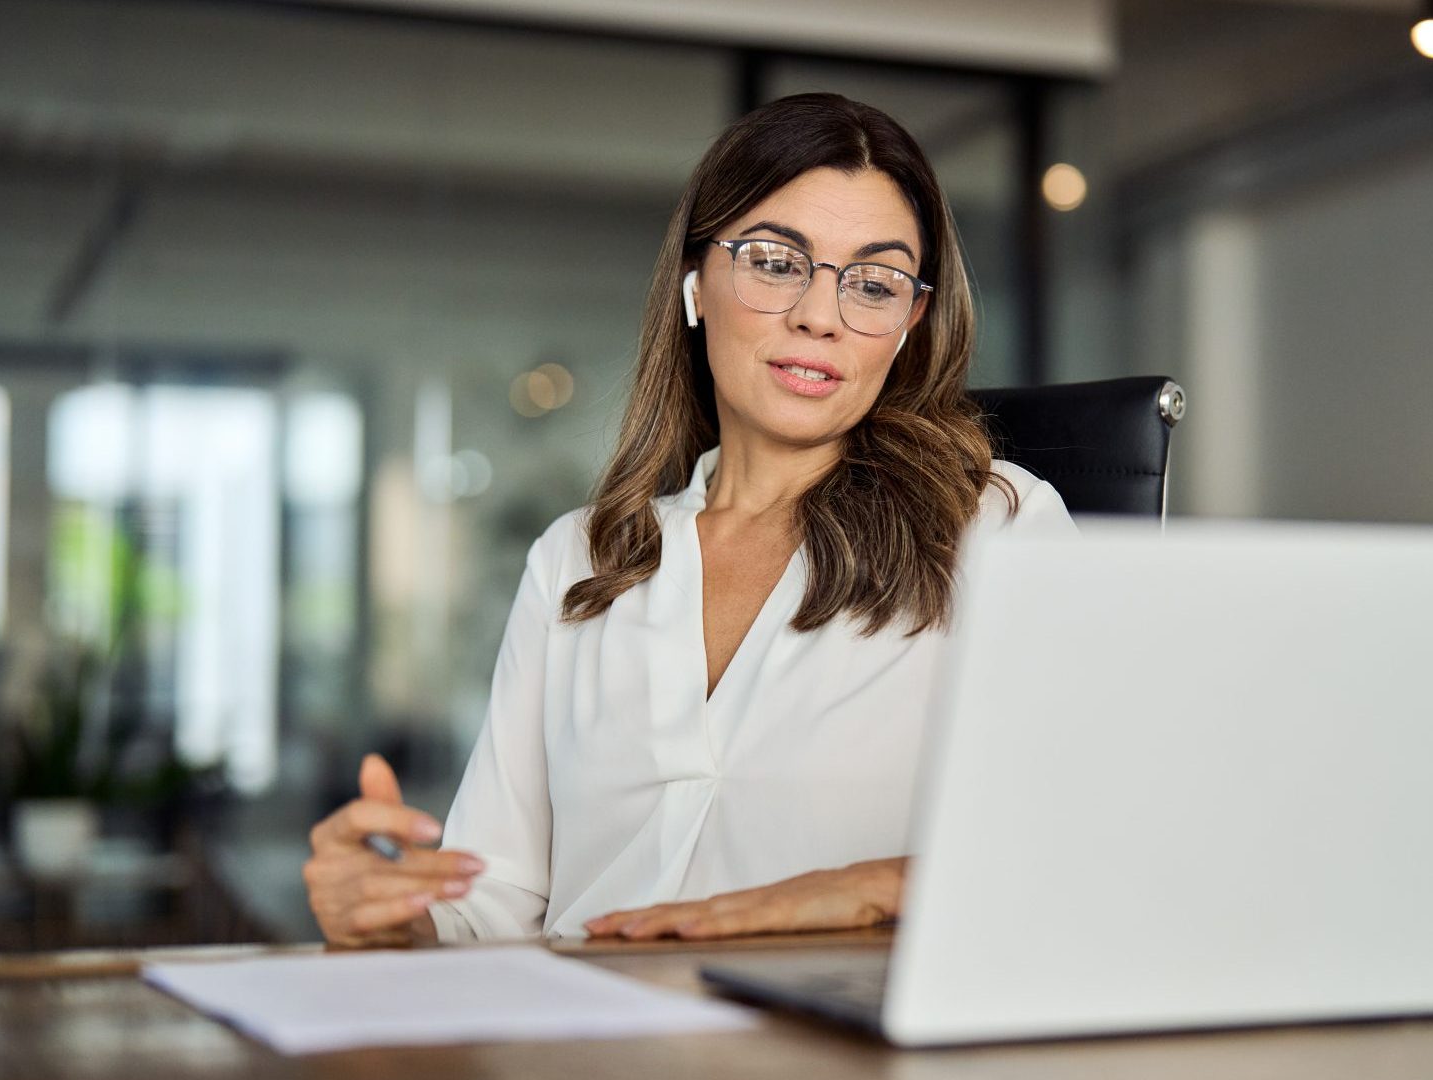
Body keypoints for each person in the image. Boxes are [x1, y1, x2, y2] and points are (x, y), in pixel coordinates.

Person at [304, 93, 1074, 948]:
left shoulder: (996, 530)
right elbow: (491, 905)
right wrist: (387, 915)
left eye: (875, 283)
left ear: (909, 324)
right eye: (778, 263)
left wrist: (858, 890)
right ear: (696, 284)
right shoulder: (581, 560)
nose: (822, 316)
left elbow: (1079, 846)